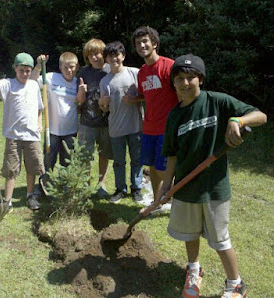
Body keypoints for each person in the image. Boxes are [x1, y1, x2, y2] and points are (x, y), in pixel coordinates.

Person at [160, 54, 267, 297]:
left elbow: (261, 116)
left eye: (191, 77)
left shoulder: (217, 102)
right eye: (179, 78)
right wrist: (167, 184)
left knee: (220, 240)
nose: (185, 83)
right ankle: (194, 270)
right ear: (173, 83)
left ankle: (235, 283)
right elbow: (172, 155)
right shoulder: (174, 116)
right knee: (189, 234)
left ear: (201, 79)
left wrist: (237, 119)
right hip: (186, 187)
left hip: (214, 188)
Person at [0, 53, 44, 211]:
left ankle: (30, 195)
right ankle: (8, 200)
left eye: (28, 70)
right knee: (11, 169)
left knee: (32, 167)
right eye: (22, 70)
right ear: (15, 68)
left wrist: (39, 124)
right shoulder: (8, 84)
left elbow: (39, 108)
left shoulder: (34, 85)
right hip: (13, 136)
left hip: (32, 135)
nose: (25, 74)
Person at [133, 26, 179, 210]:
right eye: (138, 43)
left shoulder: (169, 66)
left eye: (145, 41)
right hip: (149, 128)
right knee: (152, 166)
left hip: (167, 129)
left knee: (163, 169)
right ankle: (157, 202)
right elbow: (146, 94)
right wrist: (132, 98)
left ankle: (177, 200)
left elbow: (182, 93)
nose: (142, 45)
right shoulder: (142, 71)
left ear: (155, 43)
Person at [98, 41, 143, 204]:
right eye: (110, 56)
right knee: (119, 161)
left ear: (123, 56)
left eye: (116, 55)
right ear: (106, 60)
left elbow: (146, 96)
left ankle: (136, 188)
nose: (114, 59)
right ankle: (120, 189)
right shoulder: (105, 81)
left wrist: (136, 98)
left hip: (135, 126)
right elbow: (103, 108)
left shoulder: (135, 73)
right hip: (115, 127)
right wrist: (101, 102)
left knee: (137, 159)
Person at [76, 39, 112, 199]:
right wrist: (82, 92)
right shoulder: (84, 73)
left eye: (97, 53)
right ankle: (85, 186)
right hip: (86, 123)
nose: (95, 57)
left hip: (107, 123)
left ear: (103, 54)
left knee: (104, 154)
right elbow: (79, 100)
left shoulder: (111, 71)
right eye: (90, 55)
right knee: (85, 155)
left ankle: (101, 184)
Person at [31, 52, 79, 170]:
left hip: (70, 130)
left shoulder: (78, 82)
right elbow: (32, 81)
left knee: (67, 161)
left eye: (72, 67)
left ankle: (65, 186)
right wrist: (38, 65)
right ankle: (45, 185)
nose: (69, 70)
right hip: (52, 130)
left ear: (77, 67)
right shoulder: (52, 78)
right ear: (60, 68)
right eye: (65, 67)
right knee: (49, 160)